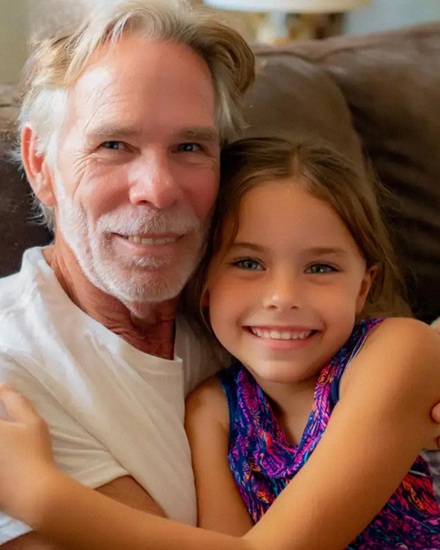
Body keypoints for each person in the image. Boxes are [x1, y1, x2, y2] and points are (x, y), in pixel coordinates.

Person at [0, 137, 439, 550]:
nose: (283, 297)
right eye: (248, 262)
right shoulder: (212, 409)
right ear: (204, 281)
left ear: (363, 288)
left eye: (321, 268)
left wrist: (40, 496)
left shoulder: (398, 351)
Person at [0, 0, 254, 545]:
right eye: (113, 145)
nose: (158, 190)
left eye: (189, 147)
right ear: (41, 163)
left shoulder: (249, 312)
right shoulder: (12, 362)